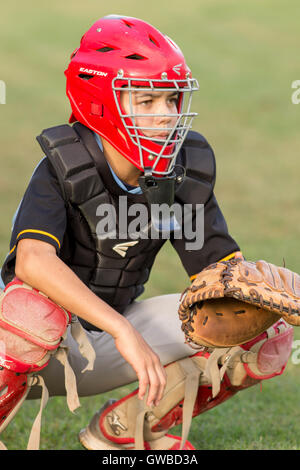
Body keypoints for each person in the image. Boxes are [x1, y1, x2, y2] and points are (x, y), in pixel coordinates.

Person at [0, 15, 293, 451]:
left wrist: (260, 291)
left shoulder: (181, 172)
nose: (168, 116)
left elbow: (219, 273)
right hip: (26, 345)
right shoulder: (64, 168)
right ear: (100, 103)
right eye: (147, 100)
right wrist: (123, 330)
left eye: (173, 99)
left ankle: (124, 431)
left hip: (109, 339)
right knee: (31, 312)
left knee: (261, 331)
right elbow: (32, 262)